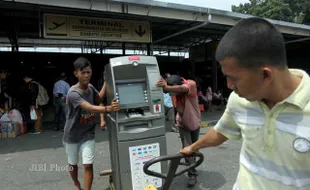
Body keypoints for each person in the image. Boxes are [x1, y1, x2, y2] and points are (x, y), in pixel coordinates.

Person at [180, 17, 310, 190]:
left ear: (266, 75)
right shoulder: (239, 99)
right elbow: (222, 131)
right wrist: (193, 147)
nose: (229, 86)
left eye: (233, 78)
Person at [63, 57, 120, 190]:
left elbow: (98, 98)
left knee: (88, 165)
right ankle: (76, 184)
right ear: (76, 73)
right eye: (83, 72)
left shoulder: (90, 87)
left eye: (88, 72)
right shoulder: (73, 93)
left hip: (88, 133)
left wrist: (106, 83)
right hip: (72, 135)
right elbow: (90, 107)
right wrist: (108, 109)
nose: (86, 75)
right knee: (73, 163)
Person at [156, 74, 201, 187]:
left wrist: (167, 87)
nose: (171, 94)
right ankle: (192, 174)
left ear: (175, 85)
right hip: (182, 124)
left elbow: (183, 88)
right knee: (188, 149)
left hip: (195, 122)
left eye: (171, 90)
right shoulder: (176, 94)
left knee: (194, 148)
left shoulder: (191, 84)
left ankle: (192, 166)